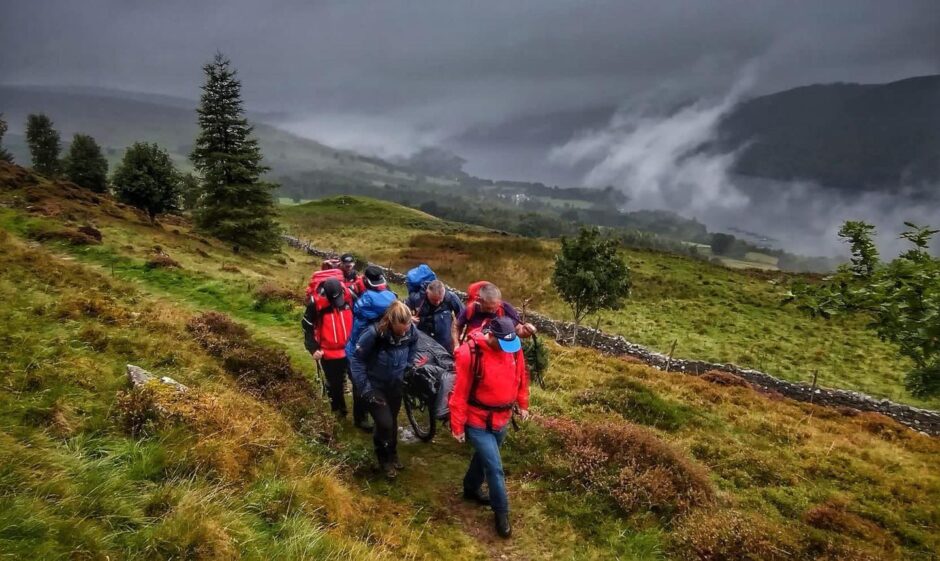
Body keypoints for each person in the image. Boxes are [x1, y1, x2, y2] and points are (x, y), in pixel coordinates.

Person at [449, 316, 529, 539]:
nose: (507, 349)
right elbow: (460, 392)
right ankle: (501, 513)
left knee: (484, 458)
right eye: (502, 344)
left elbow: (521, 375)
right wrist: (457, 425)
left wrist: (523, 403)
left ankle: (470, 488)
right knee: (495, 467)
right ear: (491, 335)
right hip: (477, 420)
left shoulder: (513, 348)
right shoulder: (469, 354)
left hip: (502, 419)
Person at [348, 300, 419, 479]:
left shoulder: (411, 331)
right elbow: (356, 360)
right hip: (374, 385)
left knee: (392, 420)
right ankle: (383, 458)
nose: (404, 331)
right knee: (385, 422)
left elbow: (413, 345)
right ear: (390, 321)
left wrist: (409, 365)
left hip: (395, 384)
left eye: (407, 326)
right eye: (400, 328)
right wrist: (366, 388)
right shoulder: (373, 334)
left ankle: (392, 452)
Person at [344, 265, 398, 432]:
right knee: (367, 384)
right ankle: (366, 418)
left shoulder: (365, 300)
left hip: (356, 348)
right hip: (372, 351)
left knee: (360, 384)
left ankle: (362, 419)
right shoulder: (390, 297)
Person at [302, 277, 357, 418]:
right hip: (328, 352)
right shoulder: (316, 304)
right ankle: (339, 410)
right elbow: (307, 326)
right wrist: (313, 349)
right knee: (335, 384)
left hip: (351, 349)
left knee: (358, 381)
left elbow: (360, 318)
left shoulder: (350, 297)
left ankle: (361, 416)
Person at [455, 282, 536, 342]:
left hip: (498, 351)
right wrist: (457, 344)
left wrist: (525, 330)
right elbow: (457, 326)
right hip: (475, 353)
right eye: (488, 308)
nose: (492, 311)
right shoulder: (470, 310)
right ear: (479, 301)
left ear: (499, 301)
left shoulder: (506, 308)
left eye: (495, 307)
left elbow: (517, 329)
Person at [406, 279, 464, 354]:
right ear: (427, 292)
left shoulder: (451, 298)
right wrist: (409, 318)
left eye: (440, 299)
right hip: (424, 341)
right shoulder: (417, 298)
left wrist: (457, 333)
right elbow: (402, 311)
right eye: (434, 300)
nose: (437, 303)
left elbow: (463, 316)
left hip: (445, 343)